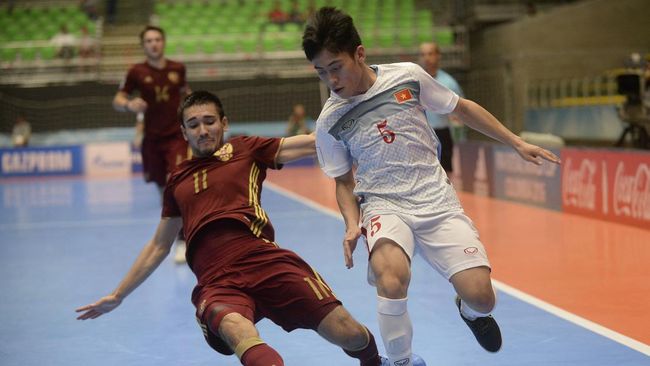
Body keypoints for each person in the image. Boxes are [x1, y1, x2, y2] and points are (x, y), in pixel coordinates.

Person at [302, 7, 561, 366]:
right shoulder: (330, 119)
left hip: (435, 198)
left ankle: (469, 312)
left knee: (483, 298)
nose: (331, 79)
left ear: (359, 54)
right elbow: (343, 181)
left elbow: (461, 108)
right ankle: (403, 362)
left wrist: (515, 142)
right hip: (383, 204)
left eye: (336, 67)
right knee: (390, 281)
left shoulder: (407, 77)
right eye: (321, 72)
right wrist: (350, 223)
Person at [76, 90, 385, 366]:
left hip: (264, 260)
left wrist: (362, 126)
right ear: (184, 132)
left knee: (349, 333)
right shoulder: (177, 180)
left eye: (209, 121)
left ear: (223, 123)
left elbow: (308, 144)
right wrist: (118, 295)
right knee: (240, 334)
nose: (203, 130)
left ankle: (375, 362)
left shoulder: (246, 149)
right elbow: (159, 246)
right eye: (193, 125)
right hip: (216, 280)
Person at [112, 25, 191, 263]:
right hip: (151, 140)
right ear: (143, 45)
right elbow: (118, 99)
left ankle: (183, 241)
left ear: (163, 42)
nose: (154, 44)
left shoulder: (178, 68)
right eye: (149, 41)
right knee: (163, 192)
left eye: (157, 39)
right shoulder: (136, 72)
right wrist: (128, 104)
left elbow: (187, 95)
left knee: (175, 184)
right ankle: (177, 231)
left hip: (176, 137)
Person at [419, 42, 464, 174]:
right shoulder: (413, 81)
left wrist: (457, 125)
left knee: (445, 173)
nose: (426, 58)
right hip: (421, 133)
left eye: (430, 53)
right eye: (423, 54)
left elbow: (461, 112)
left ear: (438, 56)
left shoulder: (449, 83)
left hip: (442, 134)